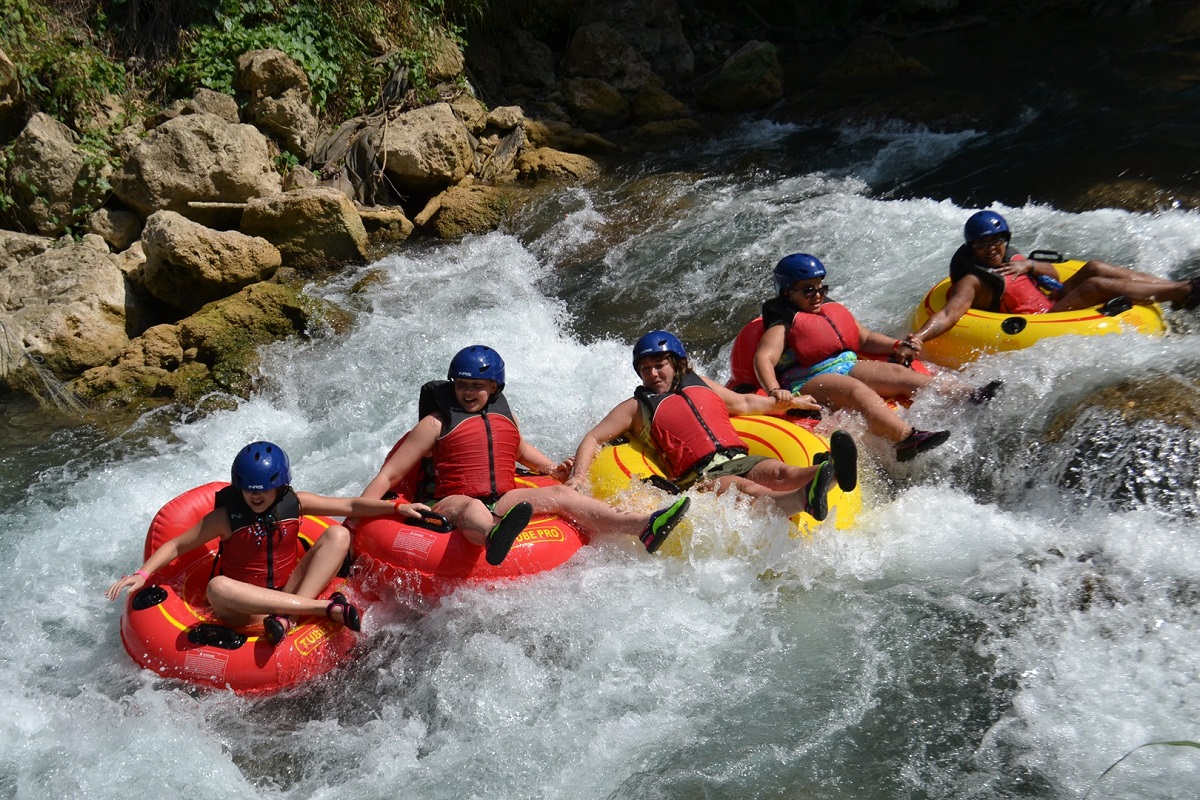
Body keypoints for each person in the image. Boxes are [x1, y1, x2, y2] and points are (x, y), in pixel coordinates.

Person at [360, 345, 692, 556]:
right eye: (462, 385)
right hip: (449, 501)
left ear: (494, 388)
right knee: (469, 506)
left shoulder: (504, 416)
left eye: (477, 386)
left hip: (501, 498)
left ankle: (642, 525)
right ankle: (494, 536)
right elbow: (391, 473)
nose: (469, 392)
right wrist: (359, 515)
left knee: (562, 495)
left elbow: (517, 447)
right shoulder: (436, 422)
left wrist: (549, 468)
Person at [107, 441, 428, 644]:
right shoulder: (226, 517)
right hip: (241, 610)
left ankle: (288, 617)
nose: (256, 496)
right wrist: (144, 573)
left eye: (263, 489)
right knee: (217, 586)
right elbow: (177, 545)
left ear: (280, 486)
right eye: (249, 490)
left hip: (287, 594)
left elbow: (349, 507)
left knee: (339, 534)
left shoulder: (295, 503)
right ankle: (322, 608)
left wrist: (396, 507)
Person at [568, 330, 858, 522]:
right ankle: (803, 499)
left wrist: (790, 402)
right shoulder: (636, 408)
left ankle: (830, 472)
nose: (653, 373)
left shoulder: (699, 384)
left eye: (660, 365)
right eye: (646, 369)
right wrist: (578, 477)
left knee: (782, 471)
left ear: (676, 363)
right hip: (699, 477)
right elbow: (593, 437)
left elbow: (744, 404)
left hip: (737, 457)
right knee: (745, 489)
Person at [755, 254, 997, 462]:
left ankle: (967, 395)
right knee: (854, 390)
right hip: (808, 379)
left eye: (821, 288)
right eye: (808, 290)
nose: (817, 295)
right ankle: (904, 439)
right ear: (787, 293)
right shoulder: (782, 327)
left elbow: (864, 339)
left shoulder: (830, 312)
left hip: (846, 364)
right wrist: (776, 391)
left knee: (899, 374)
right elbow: (763, 359)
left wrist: (896, 345)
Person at [901, 209, 1200, 354]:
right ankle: (1183, 292)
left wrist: (1030, 265)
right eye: (983, 244)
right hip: (1043, 319)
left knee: (1094, 267)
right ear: (972, 248)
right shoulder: (973, 282)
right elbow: (949, 314)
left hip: (1053, 300)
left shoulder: (1011, 259)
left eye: (998, 241)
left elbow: (1055, 275)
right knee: (1094, 287)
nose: (993, 248)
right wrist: (919, 337)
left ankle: (1171, 288)